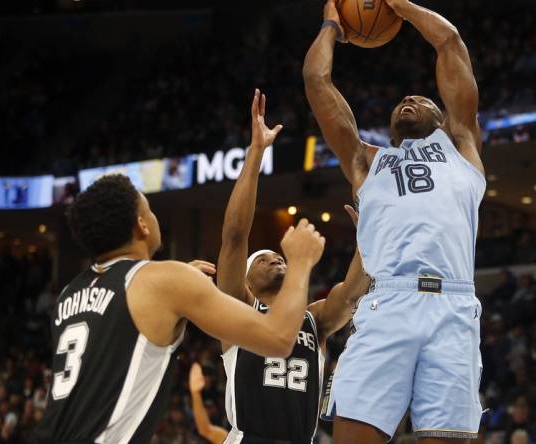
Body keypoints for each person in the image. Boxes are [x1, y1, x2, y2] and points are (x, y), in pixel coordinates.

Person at [304, 0, 485, 441]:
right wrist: (332, 23)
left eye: (421, 99)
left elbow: (449, 42)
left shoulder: (461, 146)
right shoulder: (367, 162)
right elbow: (316, 80)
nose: (409, 99)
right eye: (403, 100)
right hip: (388, 302)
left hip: (455, 307)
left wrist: (401, 6)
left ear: (444, 120)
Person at [32, 172, 326, 441]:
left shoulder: (68, 295)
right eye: (149, 209)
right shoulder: (163, 279)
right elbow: (279, 338)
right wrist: (300, 262)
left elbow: (120, 325)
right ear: (142, 225)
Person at [216, 89, 370, 443]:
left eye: (279, 255)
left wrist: (368, 240)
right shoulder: (236, 311)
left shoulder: (314, 319)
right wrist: (256, 153)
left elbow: (350, 296)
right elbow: (235, 237)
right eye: (264, 258)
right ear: (247, 283)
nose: (275, 258)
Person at [189, 362, 228, 444]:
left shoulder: (216, 394)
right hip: (198, 431)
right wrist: (196, 393)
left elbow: (205, 430)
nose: (206, 379)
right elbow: (205, 429)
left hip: (216, 424)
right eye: (204, 376)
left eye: (208, 376)